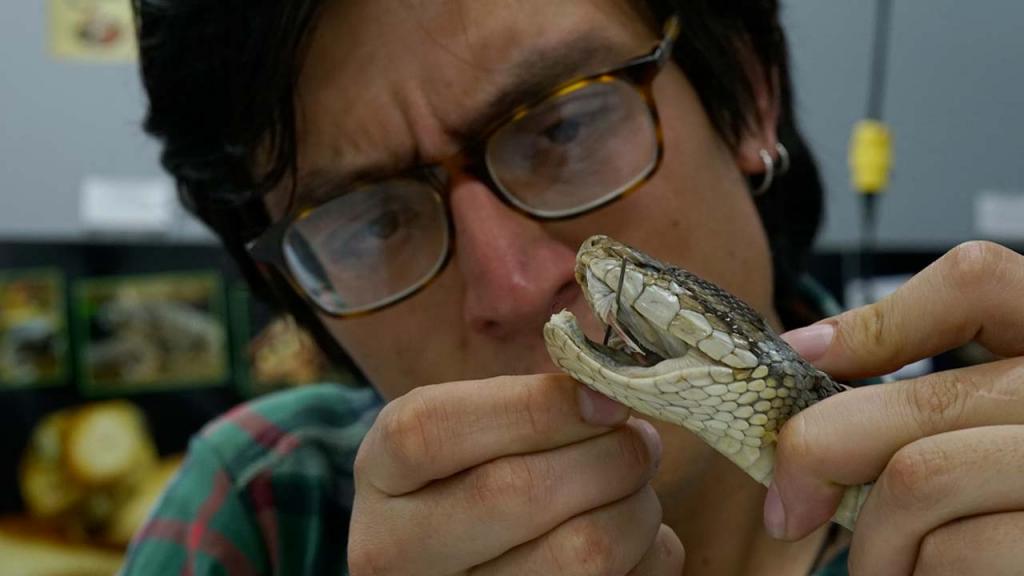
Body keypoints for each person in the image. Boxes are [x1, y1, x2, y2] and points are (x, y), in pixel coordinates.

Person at [122, 1, 1024, 574]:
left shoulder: (986, 494)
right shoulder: (264, 511)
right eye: (372, 221)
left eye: (560, 128)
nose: (515, 288)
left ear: (748, 96)